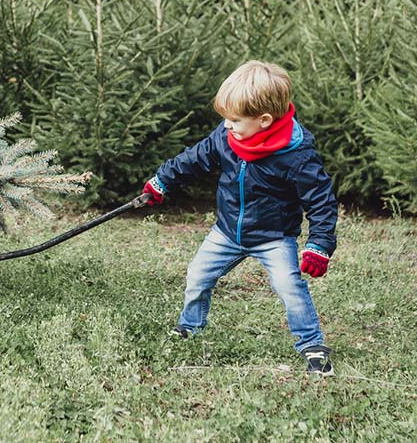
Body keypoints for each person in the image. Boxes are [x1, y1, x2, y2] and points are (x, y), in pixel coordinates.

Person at [142, 60, 339, 375]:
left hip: (274, 237)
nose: (227, 125)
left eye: (234, 119)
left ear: (263, 120)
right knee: (197, 277)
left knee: (290, 286)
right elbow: (196, 157)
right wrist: (163, 180)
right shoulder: (227, 136)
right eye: (226, 119)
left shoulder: (296, 155)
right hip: (227, 232)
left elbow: (321, 201)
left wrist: (319, 244)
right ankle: (190, 327)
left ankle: (312, 344)